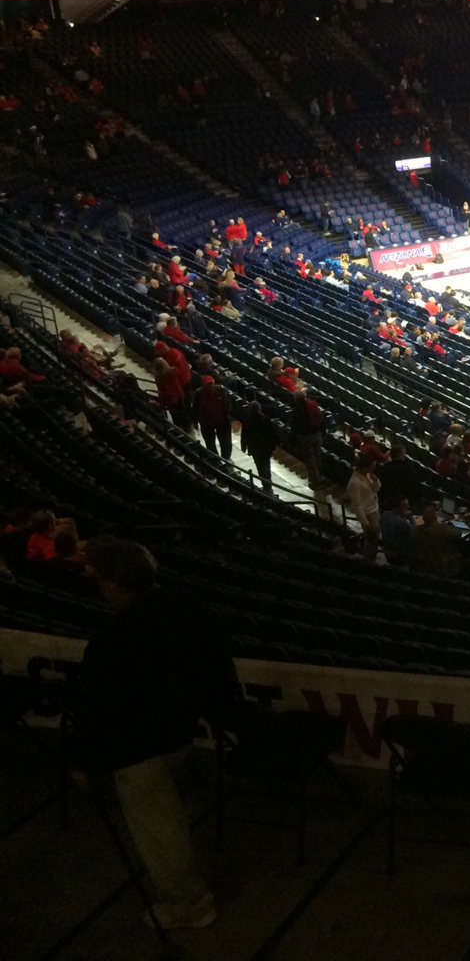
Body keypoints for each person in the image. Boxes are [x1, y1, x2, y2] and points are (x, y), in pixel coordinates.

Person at [67, 537, 237, 932]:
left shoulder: (114, 640)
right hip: (181, 728)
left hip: (138, 747)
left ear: (115, 585)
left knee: (159, 831)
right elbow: (216, 663)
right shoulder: (185, 608)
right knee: (168, 819)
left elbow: (98, 707)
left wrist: (83, 760)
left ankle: (187, 904)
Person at [238, 401, 280, 492]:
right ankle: (268, 484)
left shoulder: (247, 420)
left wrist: (243, 446)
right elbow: (272, 433)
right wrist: (275, 444)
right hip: (265, 448)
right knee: (266, 466)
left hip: (255, 448)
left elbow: (244, 435)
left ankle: (266, 484)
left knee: (260, 466)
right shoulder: (265, 419)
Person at [346, 457, 382, 563]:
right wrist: (365, 523)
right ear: (365, 467)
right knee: (371, 539)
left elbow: (375, 490)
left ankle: (371, 558)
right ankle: (368, 561)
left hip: (374, 509)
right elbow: (357, 505)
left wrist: (376, 480)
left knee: (375, 539)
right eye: (372, 466)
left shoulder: (368, 475)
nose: (374, 468)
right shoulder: (354, 483)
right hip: (367, 514)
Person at [193, 375, 232, 460]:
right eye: (208, 384)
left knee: (226, 443)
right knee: (210, 444)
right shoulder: (199, 394)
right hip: (206, 422)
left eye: (211, 383)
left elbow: (227, 403)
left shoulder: (221, 390)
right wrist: (195, 421)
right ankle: (216, 460)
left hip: (222, 421)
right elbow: (195, 408)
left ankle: (225, 458)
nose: (210, 386)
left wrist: (228, 415)